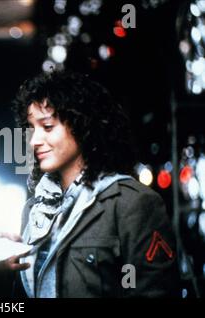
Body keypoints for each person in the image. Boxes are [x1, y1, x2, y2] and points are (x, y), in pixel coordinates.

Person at [10, 71, 180, 297]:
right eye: (32, 128)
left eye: (47, 127)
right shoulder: (35, 210)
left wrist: (124, 282)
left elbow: (144, 288)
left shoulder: (130, 204)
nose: (34, 141)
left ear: (81, 126)